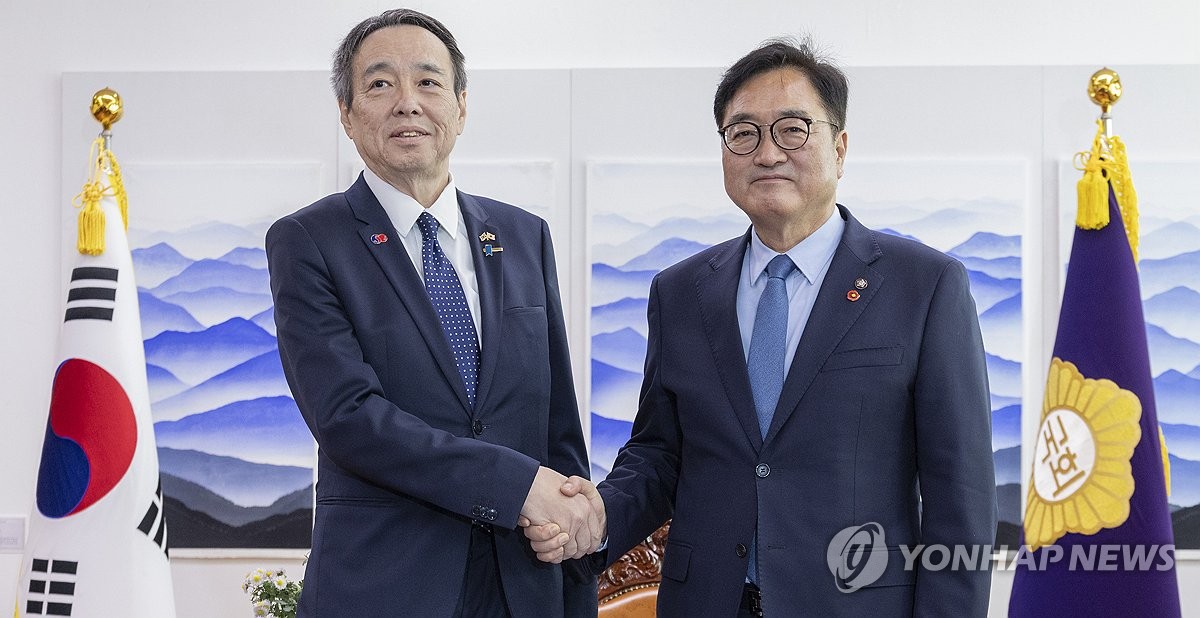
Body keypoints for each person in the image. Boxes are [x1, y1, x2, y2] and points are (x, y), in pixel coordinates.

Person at [525, 38, 996, 616]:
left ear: (840, 148)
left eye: (793, 130)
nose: (768, 153)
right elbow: (659, 454)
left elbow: (960, 495)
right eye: (743, 133)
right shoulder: (680, 292)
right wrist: (595, 519)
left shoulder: (924, 286)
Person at [266, 9, 599, 617]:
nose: (407, 103)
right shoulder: (309, 240)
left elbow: (556, 420)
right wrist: (516, 486)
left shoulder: (524, 236)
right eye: (379, 84)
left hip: (522, 582)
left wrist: (575, 531)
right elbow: (349, 418)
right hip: (386, 585)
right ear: (346, 114)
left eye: (428, 81)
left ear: (461, 106)